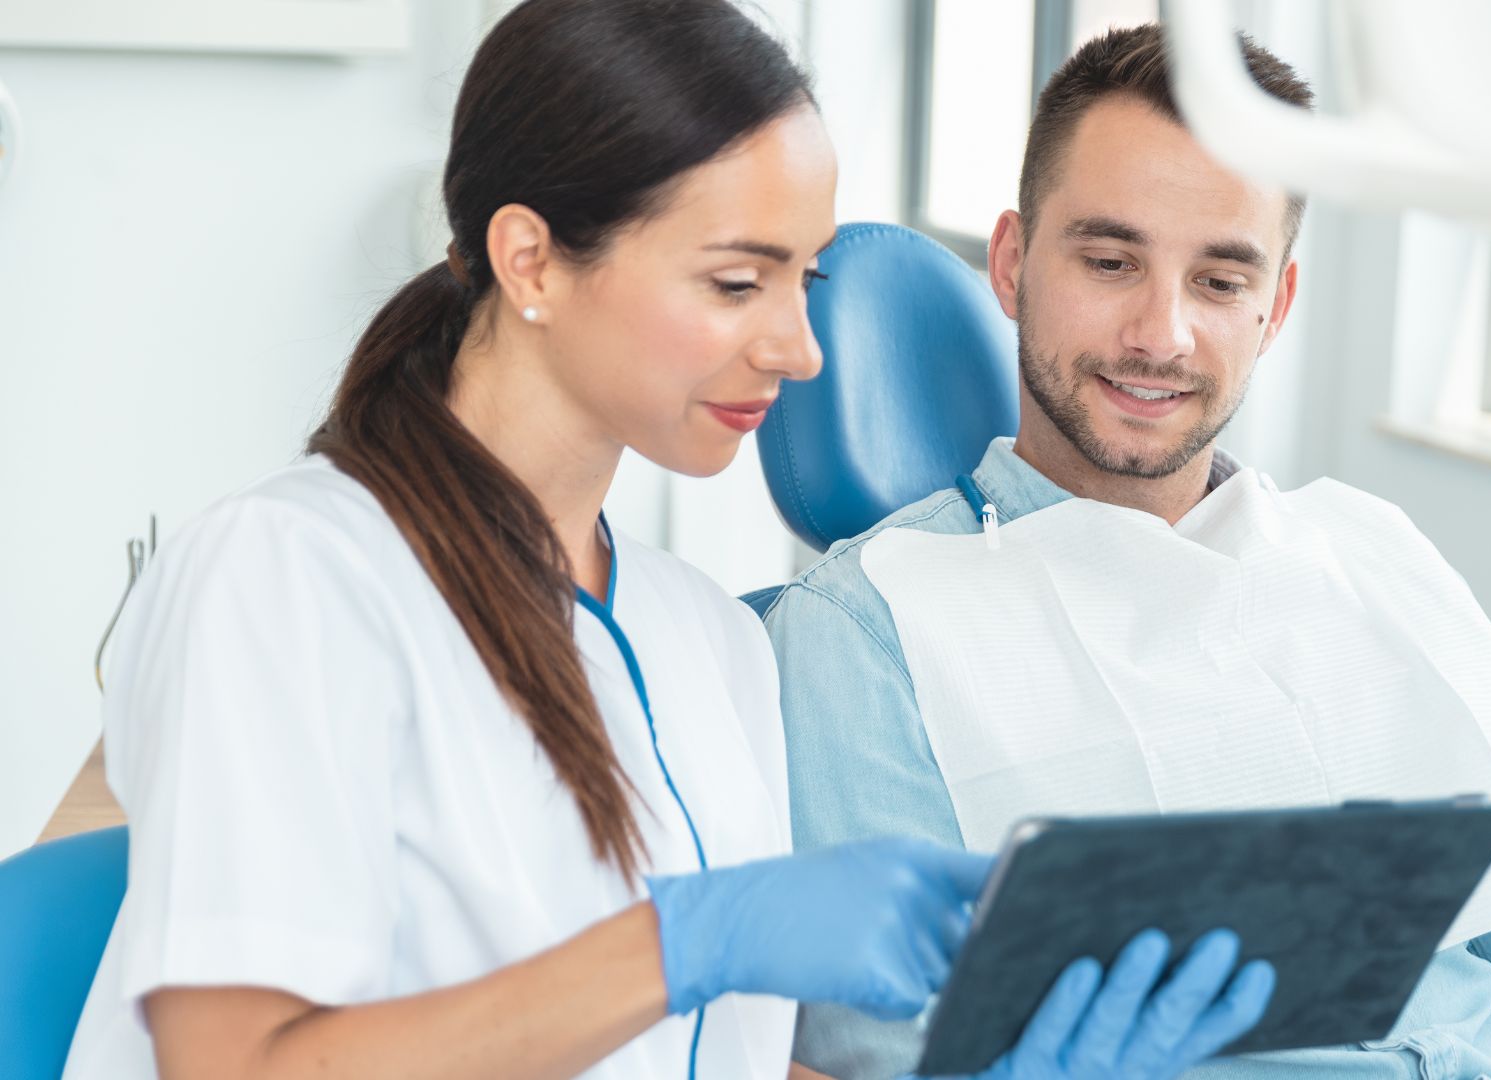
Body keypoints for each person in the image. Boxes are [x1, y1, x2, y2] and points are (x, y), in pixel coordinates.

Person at [59, 4, 1276, 1079]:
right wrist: (687, 941)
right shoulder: (291, 576)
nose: (800, 348)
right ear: (530, 258)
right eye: (739, 283)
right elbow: (232, 1065)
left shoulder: (705, 638)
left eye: (804, 279)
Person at [764, 24, 1491, 1080]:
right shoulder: (866, 630)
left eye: (1220, 281)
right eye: (1112, 261)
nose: (1159, 333)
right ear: (1014, 262)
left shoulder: (1372, 553)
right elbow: (889, 1054)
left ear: (1276, 310)